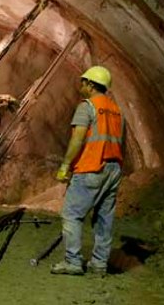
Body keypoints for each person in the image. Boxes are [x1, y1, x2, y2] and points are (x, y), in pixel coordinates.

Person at [50, 66, 125, 276]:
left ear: (91, 85)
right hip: (113, 169)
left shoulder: (87, 107)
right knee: (104, 218)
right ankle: (100, 263)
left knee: (72, 215)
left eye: (83, 82)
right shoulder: (116, 110)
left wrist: (65, 165)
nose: (81, 86)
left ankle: (73, 262)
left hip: (92, 168)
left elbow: (78, 138)